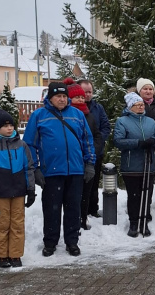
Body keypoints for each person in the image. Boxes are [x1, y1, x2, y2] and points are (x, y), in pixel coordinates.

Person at [23, 81, 96, 257]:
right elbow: (29, 145)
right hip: (52, 172)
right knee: (51, 209)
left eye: (64, 96)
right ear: (50, 98)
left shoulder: (77, 115)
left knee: (73, 208)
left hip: (76, 171)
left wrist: (90, 163)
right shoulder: (39, 116)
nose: (62, 99)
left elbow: (87, 141)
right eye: (58, 96)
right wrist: (35, 169)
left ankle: (72, 241)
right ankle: (50, 242)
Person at [0, 110, 35, 268]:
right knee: (2, 224)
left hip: (18, 192)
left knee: (17, 224)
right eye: (5, 126)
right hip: (0, 193)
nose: (9, 128)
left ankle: (15, 254)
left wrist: (30, 190)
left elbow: (28, 168)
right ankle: (3, 256)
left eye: (11, 125)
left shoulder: (22, 145)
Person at [113, 92, 155, 237]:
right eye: (137, 104)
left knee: (147, 194)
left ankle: (144, 221)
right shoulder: (122, 121)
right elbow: (118, 141)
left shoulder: (150, 122)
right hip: (131, 165)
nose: (141, 106)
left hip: (148, 164)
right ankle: (134, 222)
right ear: (130, 107)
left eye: (142, 104)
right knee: (134, 196)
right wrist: (138, 143)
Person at [65, 78, 102, 231]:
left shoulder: (90, 115)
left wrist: (94, 150)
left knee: (87, 191)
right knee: (73, 194)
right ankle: (72, 221)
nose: (81, 99)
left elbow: (97, 135)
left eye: (83, 96)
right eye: (78, 97)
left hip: (88, 159)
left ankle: (83, 218)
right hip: (72, 161)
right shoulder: (66, 115)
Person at [79, 79, 111, 219]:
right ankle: (81, 211)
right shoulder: (73, 108)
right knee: (81, 184)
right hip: (79, 153)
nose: (88, 95)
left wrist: (96, 144)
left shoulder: (98, 108)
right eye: (85, 92)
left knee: (94, 182)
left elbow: (105, 127)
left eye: (90, 92)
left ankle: (93, 208)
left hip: (96, 151)